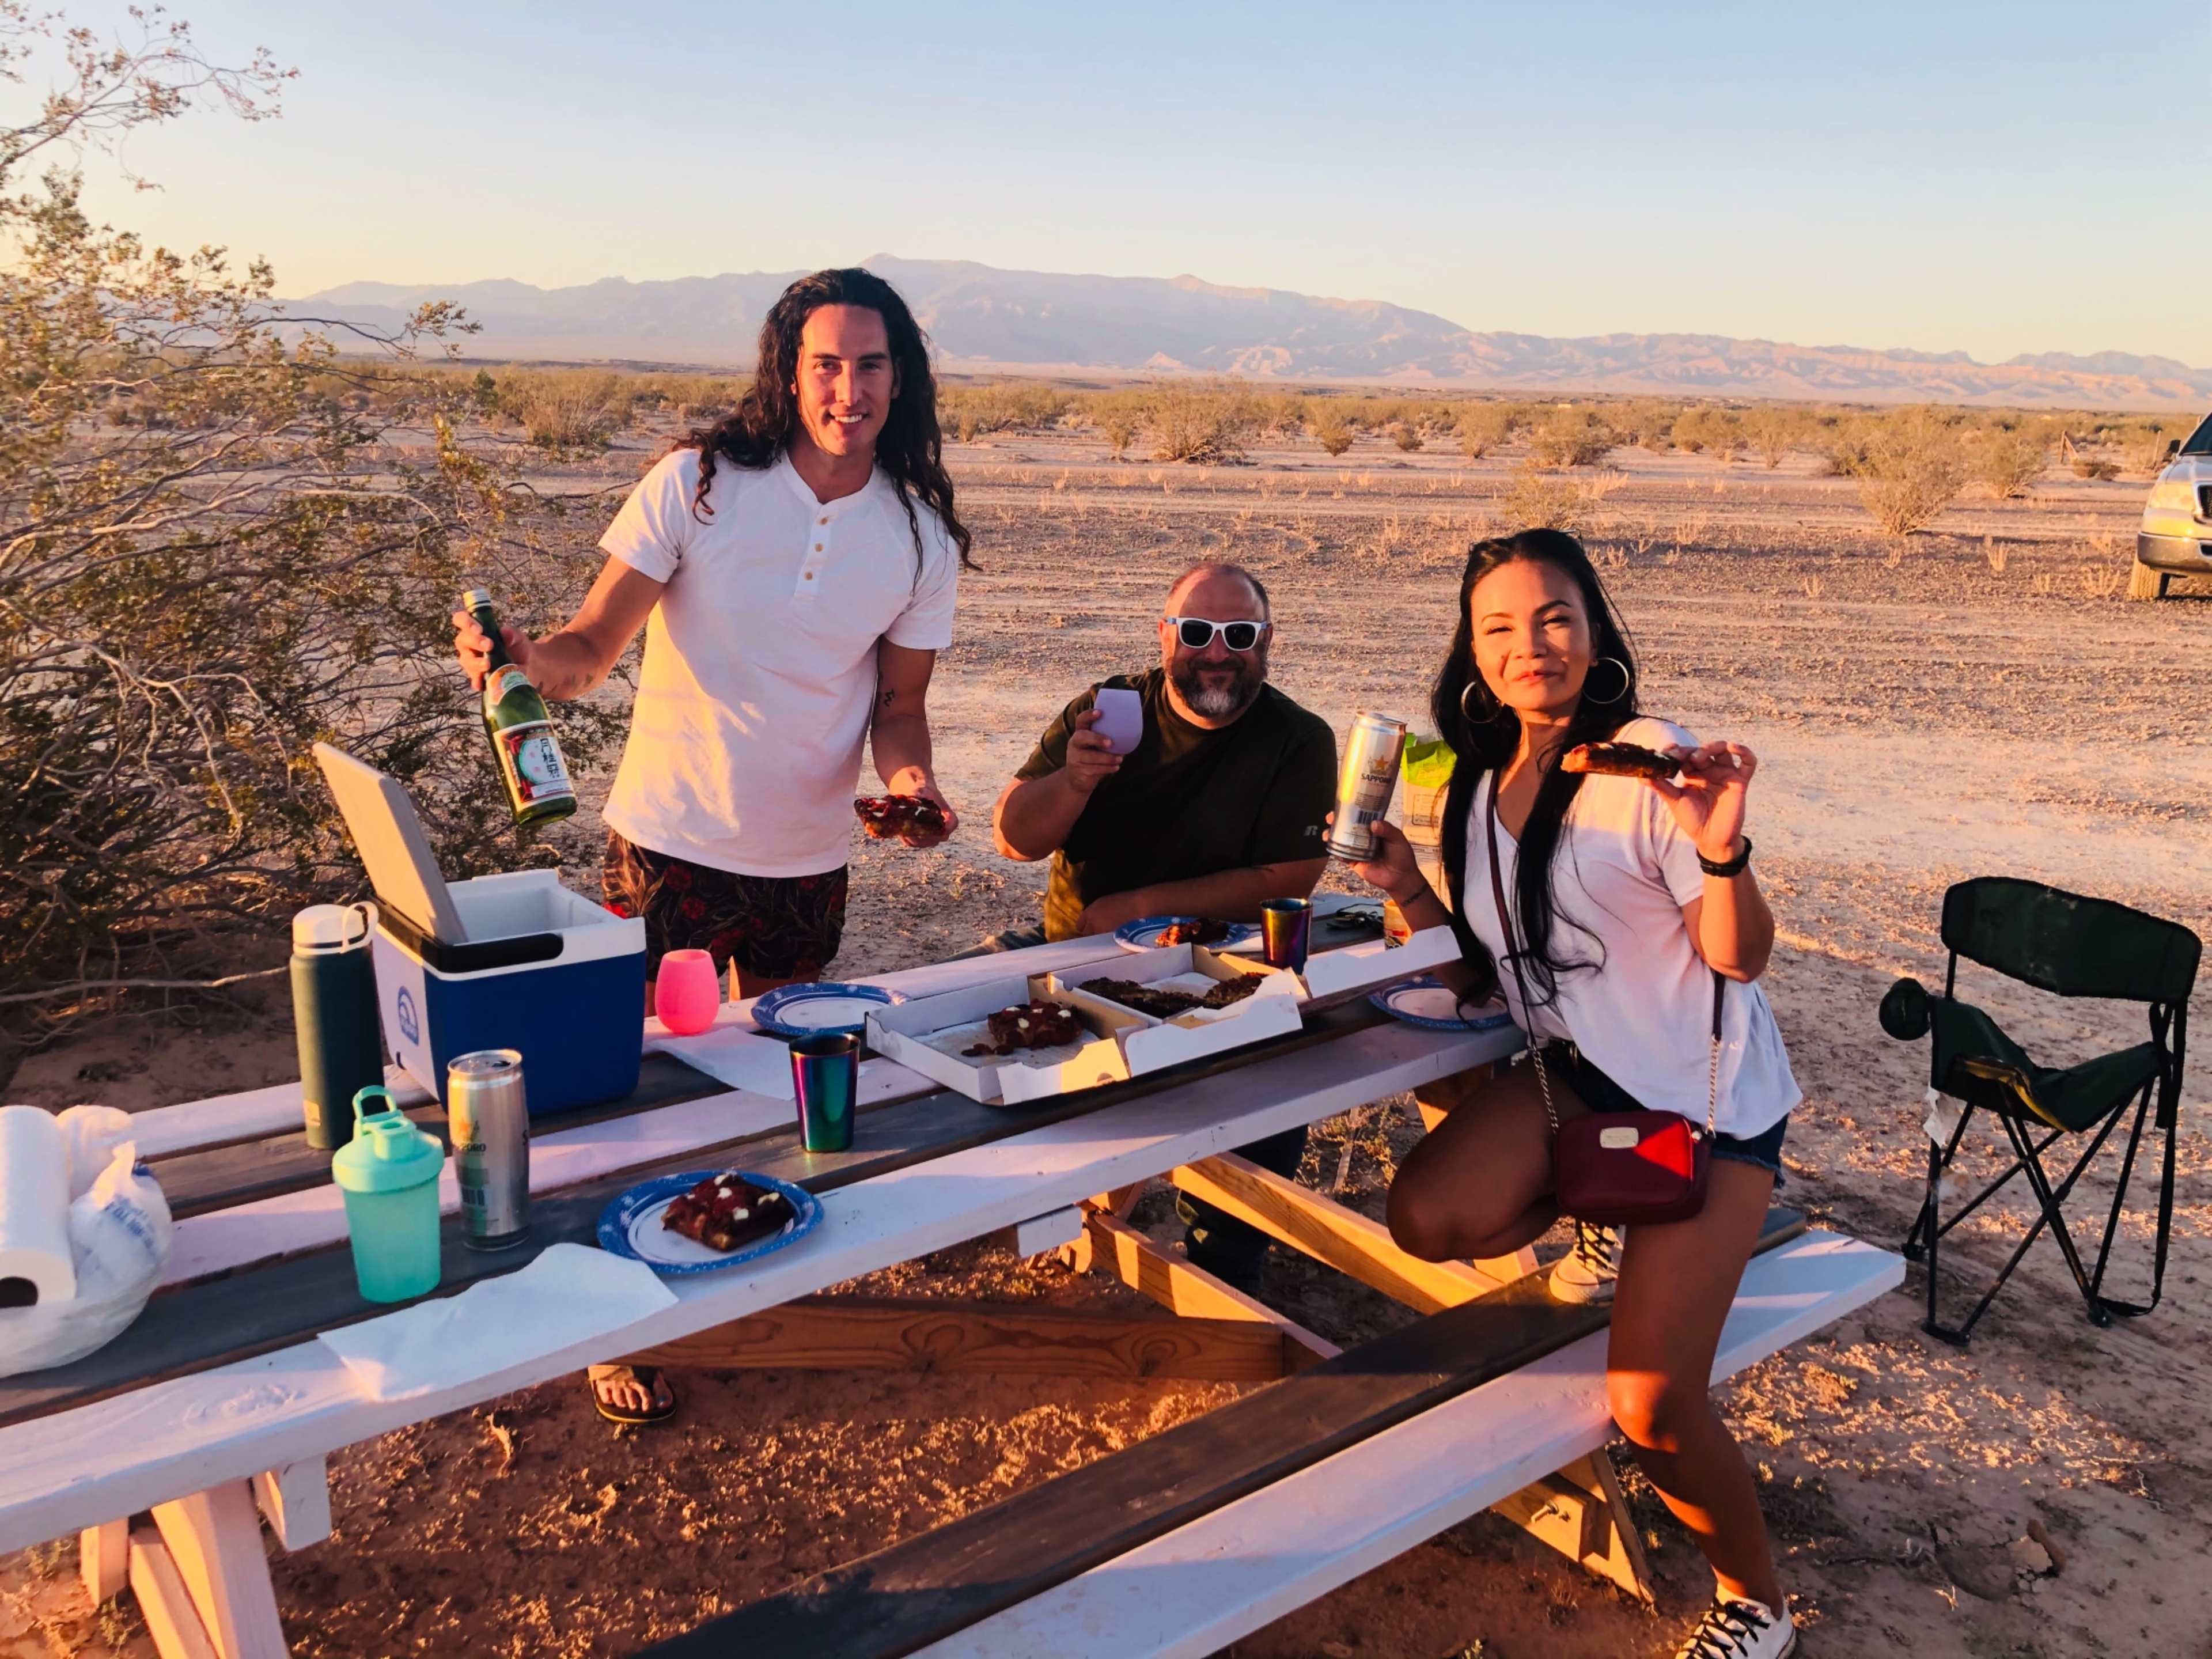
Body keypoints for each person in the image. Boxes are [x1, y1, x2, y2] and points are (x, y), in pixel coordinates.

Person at [452, 267, 969, 1426]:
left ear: (904, 377)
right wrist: (522, 663)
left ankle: (739, 1267)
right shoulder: (696, 485)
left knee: (779, 1091)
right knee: (641, 1085)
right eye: (827, 363)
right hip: (668, 847)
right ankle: (617, 1312)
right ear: (789, 372)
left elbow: (899, 710)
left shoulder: (920, 536)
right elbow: (591, 644)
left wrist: (913, 785)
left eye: (872, 364)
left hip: (804, 863)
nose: (850, 387)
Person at [1341, 529, 1804, 1659]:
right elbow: (1482, 977)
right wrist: (1405, 886)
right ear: (1472, 652)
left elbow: (1740, 958)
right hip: (1583, 1082)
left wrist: (1726, 850)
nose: (1529, 645)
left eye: (1553, 617)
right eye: (1499, 627)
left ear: (1592, 629)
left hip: (1704, 1109)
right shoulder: (1482, 785)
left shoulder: (1653, 762)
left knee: (1649, 1404)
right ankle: (1612, 1222)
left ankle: (1757, 1602)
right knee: (1427, 1217)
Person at [990, 562, 1336, 1293]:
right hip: (1078, 961)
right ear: (1165, 635)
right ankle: (1075, 1207)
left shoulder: (1298, 739)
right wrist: (1074, 781)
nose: (1217, 652)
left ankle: (1222, 1253)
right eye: (1197, 632)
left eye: (1238, 634)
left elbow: (1290, 877)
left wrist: (1143, 905)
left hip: (1222, 973)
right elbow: (1015, 839)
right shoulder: (1107, 711)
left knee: (1277, 1089)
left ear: (1266, 641)